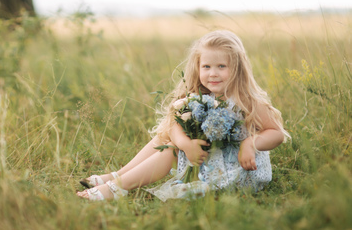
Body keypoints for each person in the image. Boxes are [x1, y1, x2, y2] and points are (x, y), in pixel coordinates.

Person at [77, 30, 290, 201]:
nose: (213, 73)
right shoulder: (196, 96)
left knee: (170, 149)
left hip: (235, 172)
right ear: (197, 68)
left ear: (237, 68)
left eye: (221, 66)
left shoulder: (246, 100)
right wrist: (186, 145)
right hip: (204, 160)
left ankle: (116, 188)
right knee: (165, 139)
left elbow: (276, 133)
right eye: (206, 66)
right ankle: (116, 176)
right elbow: (174, 126)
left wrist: (250, 144)